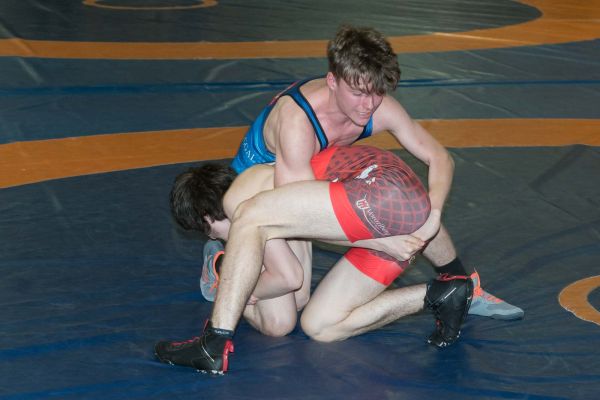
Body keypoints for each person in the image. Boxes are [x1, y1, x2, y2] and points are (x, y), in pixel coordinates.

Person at [220, 24, 522, 320]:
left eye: (377, 92)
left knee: (413, 205)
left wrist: (434, 213)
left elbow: (440, 157)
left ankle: (461, 284)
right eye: (358, 93)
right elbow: (300, 218)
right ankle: (222, 263)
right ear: (332, 81)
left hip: (307, 170)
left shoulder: (377, 105)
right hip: (254, 190)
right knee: (292, 298)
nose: (368, 105)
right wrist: (380, 241)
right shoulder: (298, 122)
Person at [155, 145, 474, 373]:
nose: (215, 237)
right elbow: (299, 291)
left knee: (269, 305)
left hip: (381, 203)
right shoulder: (269, 195)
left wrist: (240, 290)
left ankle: (215, 336)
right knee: (320, 326)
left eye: (209, 232)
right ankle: (441, 294)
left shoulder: (250, 206)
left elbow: (289, 281)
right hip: (394, 220)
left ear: (208, 218)